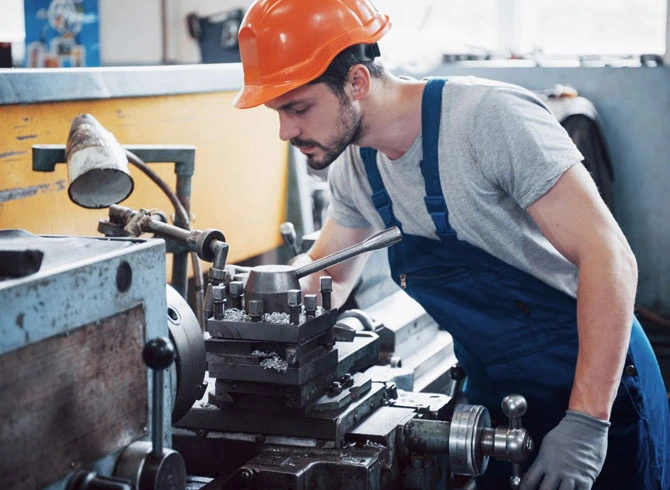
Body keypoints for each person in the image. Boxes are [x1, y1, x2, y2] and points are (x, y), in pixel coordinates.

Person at [232, 1, 670, 488]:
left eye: (298, 108)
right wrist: (260, 301)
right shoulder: (359, 166)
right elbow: (329, 269)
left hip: (594, 385)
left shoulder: (489, 120)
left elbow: (609, 256)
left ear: (356, 82)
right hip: (498, 396)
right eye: (278, 112)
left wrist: (587, 423)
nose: (285, 130)